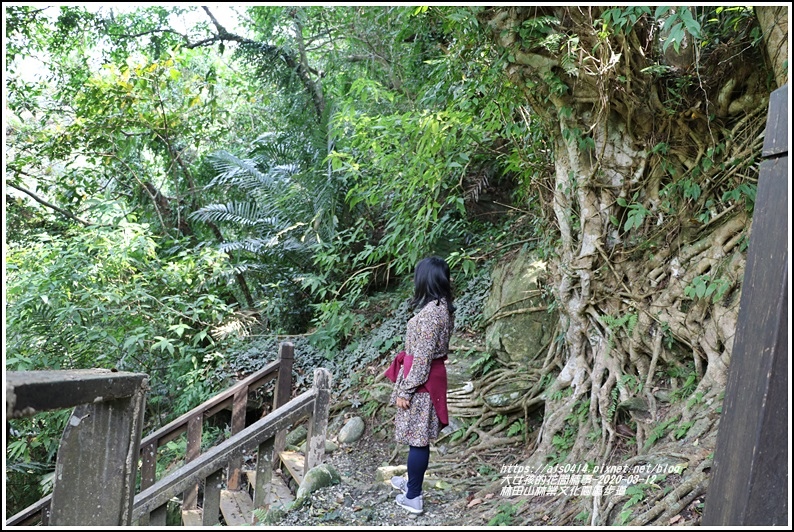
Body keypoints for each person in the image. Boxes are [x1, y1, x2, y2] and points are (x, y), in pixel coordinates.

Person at [384, 256, 454, 515]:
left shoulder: (431, 315)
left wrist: (406, 389)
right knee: (417, 437)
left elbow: (422, 358)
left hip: (422, 381)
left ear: (425, 279)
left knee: (418, 439)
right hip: (427, 376)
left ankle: (413, 496)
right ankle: (412, 483)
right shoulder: (442, 307)